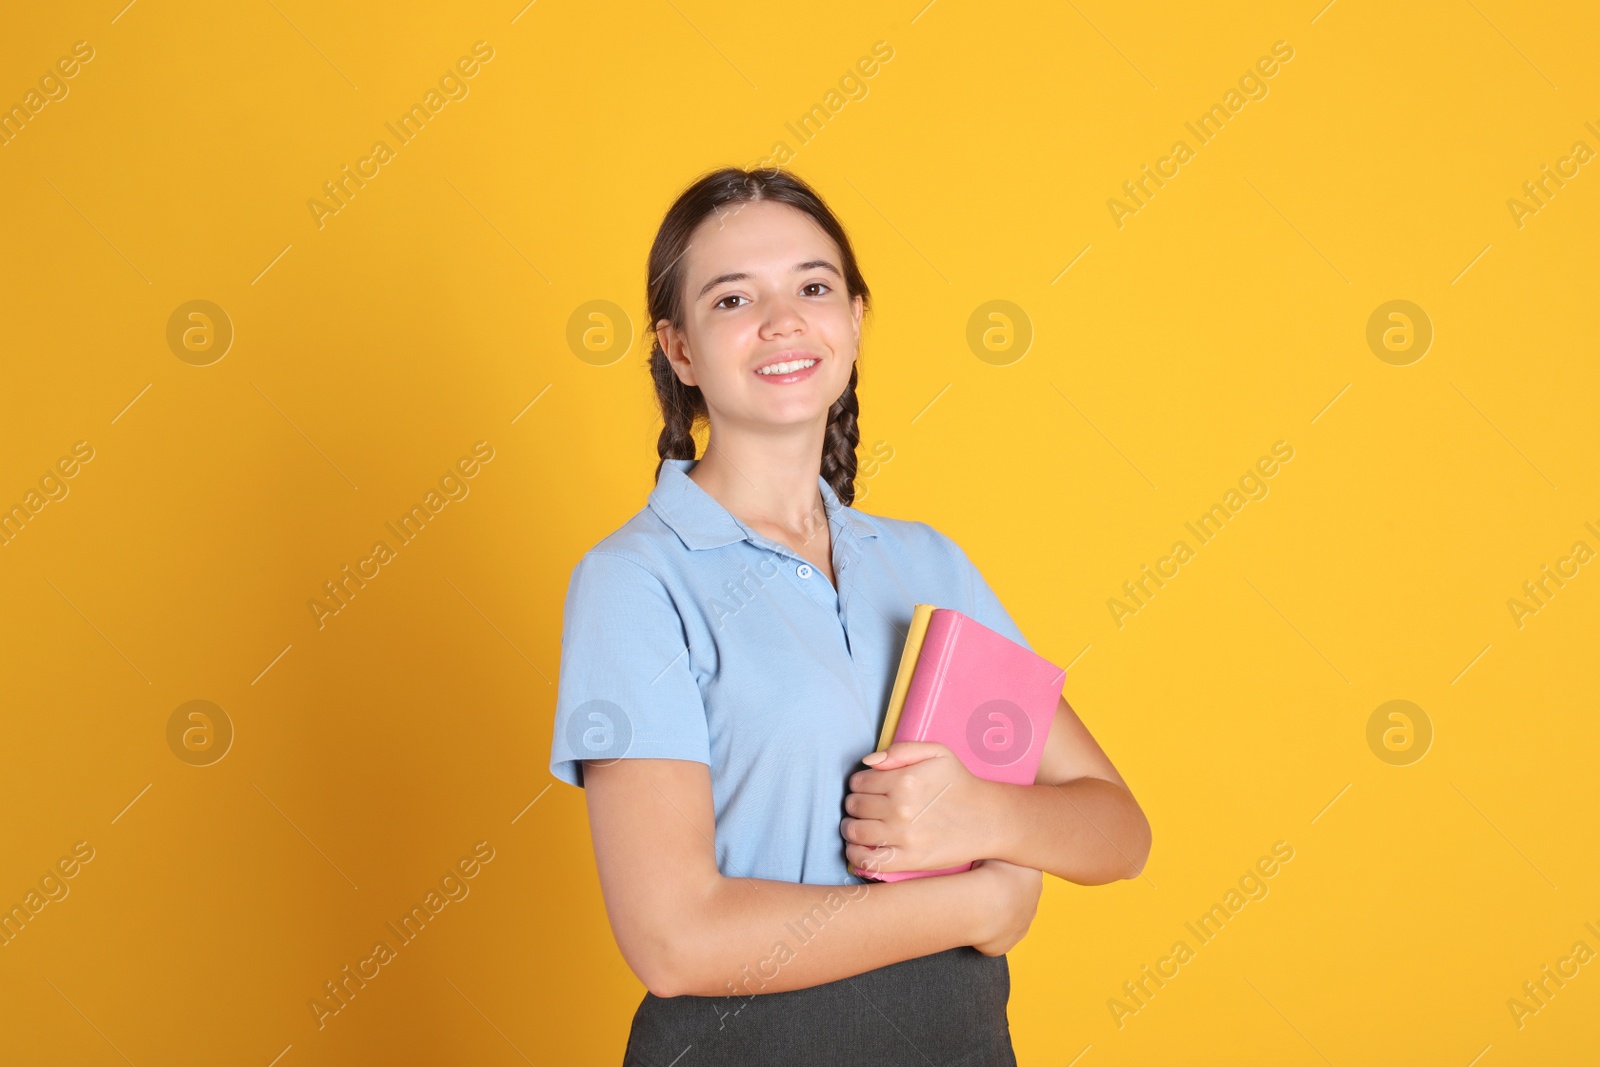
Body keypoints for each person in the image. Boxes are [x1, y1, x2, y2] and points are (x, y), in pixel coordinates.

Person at [549, 167, 1151, 1066]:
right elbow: (674, 940)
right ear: (678, 351)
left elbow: (1116, 829)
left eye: (813, 286)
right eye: (731, 298)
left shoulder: (926, 564)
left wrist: (983, 814)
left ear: (856, 318)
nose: (782, 319)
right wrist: (981, 901)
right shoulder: (634, 581)